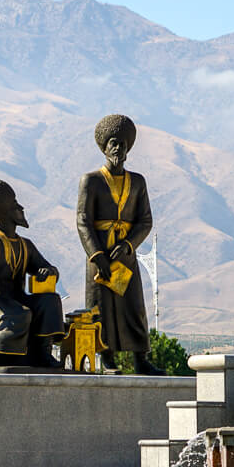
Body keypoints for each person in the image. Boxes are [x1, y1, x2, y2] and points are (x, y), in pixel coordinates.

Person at [76, 114, 161, 375]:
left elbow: (145, 221)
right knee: (101, 308)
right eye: (113, 143)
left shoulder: (138, 182)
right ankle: (107, 358)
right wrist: (96, 255)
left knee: (134, 307)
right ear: (104, 147)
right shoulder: (91, 181)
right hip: (100, 256)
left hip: (124, 255)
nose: (117, 148)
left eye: (122, 144)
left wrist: (127, 245)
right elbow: (82, 220)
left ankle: (140, 359)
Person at [0, 179, 65, 368]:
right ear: (6, 212)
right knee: (21, 314)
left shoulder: (26, 245)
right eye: (15, 204)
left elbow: (49, 268)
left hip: (19, 298)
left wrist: (47, 271)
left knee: (51, 300)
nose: (21, 208)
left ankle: (43, 353)